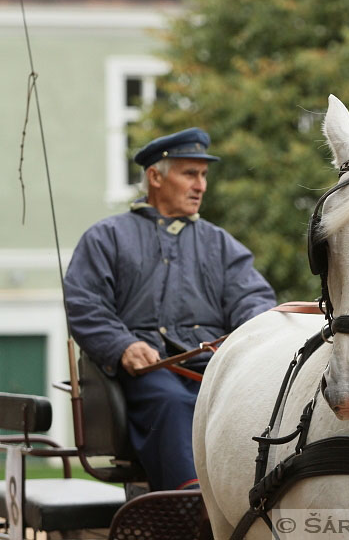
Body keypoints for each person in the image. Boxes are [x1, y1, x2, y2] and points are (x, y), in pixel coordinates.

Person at [64, 127, 277, 491]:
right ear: (155, 177)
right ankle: (190, 504)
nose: (201, 186)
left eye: (204, 175)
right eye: (189, 174)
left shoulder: (221, 244)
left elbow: (253, 300)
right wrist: (123, 346)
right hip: (148, 370)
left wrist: (243, 342)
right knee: (172, 400)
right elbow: (86, 304)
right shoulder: (106, 237)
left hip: (211, 363)